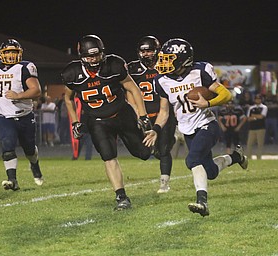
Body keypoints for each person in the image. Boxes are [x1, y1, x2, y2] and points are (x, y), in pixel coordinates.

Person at [144, 38, 248, 217]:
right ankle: (236, 157)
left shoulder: (200, 70)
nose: (164, 62)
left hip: (207, 124)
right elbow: (164, 111)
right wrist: (156, 129)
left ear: (183, 59)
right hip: (187, 130)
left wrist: (208, 103)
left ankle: (202, 202)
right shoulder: (161, 80)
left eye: (169, 58)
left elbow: (226, 94)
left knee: (192, 160)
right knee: (211, 172)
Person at [61, 35, 152, 210]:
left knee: (143, 153)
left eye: (96, 55)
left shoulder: (114, 65)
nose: (94, 60)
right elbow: (68, 98)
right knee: (109, 157)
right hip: (97, 121)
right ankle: (121, 197)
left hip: (122, 114)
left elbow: (132, 87)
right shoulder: (72, 73)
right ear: (81, 56)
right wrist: (74, 122)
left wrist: (142, 115)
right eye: (89, 56)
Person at [0, 39, 44, 191]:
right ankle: (12, 180)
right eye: (8, 52)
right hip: (5, 116)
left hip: (24, 115)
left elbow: (36, 90)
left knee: (29, 149)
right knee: (7, 146)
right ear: (2, 54)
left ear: (19, 53)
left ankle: (35, 166)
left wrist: (18, 95)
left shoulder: (24, 67)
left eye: (14, 52)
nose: (11, 55)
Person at [127, 36, 176, 193]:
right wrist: (138, 114)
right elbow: (129, 93)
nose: (146, 54)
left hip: (163, 113)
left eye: (149, 51)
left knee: (163, 150)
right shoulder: (132, 69)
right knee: (143, 153)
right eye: (143, 51)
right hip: (143, 115)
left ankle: (164, 183)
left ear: (157, 51)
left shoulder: (166, 65)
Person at [246, 94, 268, 160]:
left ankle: (259, 157)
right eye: (256, 99)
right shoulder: (251, 108)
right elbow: (248, 118)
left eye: (259, 99)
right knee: (249, 144)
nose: (258, 100)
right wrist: (256, 117)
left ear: (261, 100)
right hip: (252, 128)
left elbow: (262, 116)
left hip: (261, 128)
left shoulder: (264, 107)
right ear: (255, 100)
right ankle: (249, 157)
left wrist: (254, 116)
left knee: (260, 144)